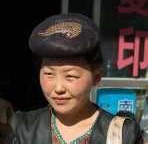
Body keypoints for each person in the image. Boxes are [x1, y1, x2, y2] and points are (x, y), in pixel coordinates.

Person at [5, 13, 143, 144]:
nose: (58, 88)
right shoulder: (23, 128)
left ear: (96, 77)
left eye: (70, 76)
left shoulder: (122, 133)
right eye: (49, 74)